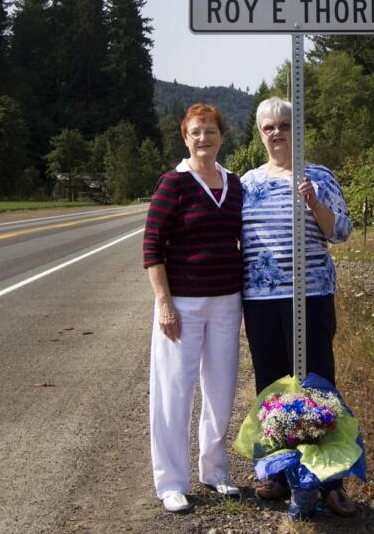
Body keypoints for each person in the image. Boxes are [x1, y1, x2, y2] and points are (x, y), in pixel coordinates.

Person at [240, 96, 358, 517]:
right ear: (260, 133)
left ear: (297, 130)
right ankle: (276, 473)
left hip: (311, 296)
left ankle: (329, 481)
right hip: (260, 301)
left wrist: (314, 203)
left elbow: (341, 231)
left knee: (318, 385)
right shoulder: (247, 183)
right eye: (269, 127)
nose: (277, 133)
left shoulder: (319, 176)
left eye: (284, 126)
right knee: (271, 387)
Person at [143, 103, 244, 514]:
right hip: (181, 304)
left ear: (222, 136)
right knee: (174, 392)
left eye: (211, 131)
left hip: (226, 302)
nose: (204, 138)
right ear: (185, 138)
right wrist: (164, 303)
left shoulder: (234, 184)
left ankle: (214, 469)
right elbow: (152, 247)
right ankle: (170, 481)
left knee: (220, 389)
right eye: (196, 132)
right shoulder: (174, 183)